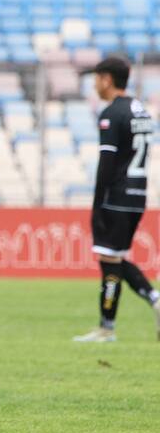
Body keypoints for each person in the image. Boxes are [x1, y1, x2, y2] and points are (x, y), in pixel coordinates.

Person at [73, 56, 160, 343]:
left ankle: (107, 327)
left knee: (110, 258)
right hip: (137, 194)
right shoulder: (140, 111)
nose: (95, 84)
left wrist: (97, 203)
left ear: (107, 79)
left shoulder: (112, 113)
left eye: (97, 78)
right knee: (115, 257)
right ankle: (146, 303)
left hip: (116, 195)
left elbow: (107, 163)